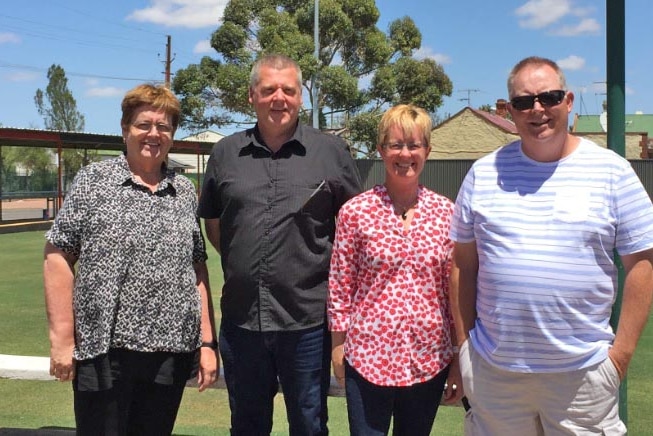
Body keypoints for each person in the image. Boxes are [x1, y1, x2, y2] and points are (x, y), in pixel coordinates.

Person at [450, 56, 653, 435]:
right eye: (524, 102)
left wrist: (620, 358)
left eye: (549, 97)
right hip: (495, 372)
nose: (537, 110)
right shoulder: (483, 173)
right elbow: (463, 264)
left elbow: (642, 262)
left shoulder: (612, 171)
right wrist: (465, 348)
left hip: (582, 375)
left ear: (569, 101)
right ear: (510, 110)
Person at [198, 53, 362, 435]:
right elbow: (216, 226)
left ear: (300, 96)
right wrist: (248, 260)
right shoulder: (224, 153)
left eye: (288, 90)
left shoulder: (330, 153)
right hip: (242, 324)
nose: (279, 98)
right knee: (247, 426)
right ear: (252, 95)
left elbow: (353, 231)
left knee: (308, 424)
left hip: (307, 324)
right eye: (269, 89)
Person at [43, 83, 219, 435]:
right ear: (125, 129)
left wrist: (207, 342)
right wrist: (62, 338)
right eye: (144, 124)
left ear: (172, 135)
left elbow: (196, 267)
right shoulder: (95, 181)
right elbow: (57, 254)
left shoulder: (183, 190)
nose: (153, 134)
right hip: (105, 350)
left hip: (170, 351)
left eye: (164, 126)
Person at [328, 104, 463, 436]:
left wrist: (459, 358)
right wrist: (337, 345)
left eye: (414, 145)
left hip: (429, 358)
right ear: (381, 150)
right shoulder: (356, 212)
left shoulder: (447, 213)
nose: (405, 154)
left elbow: (454, 291)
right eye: (396, 144)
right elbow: (340, 284)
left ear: (427, 151)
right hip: (368, 356)